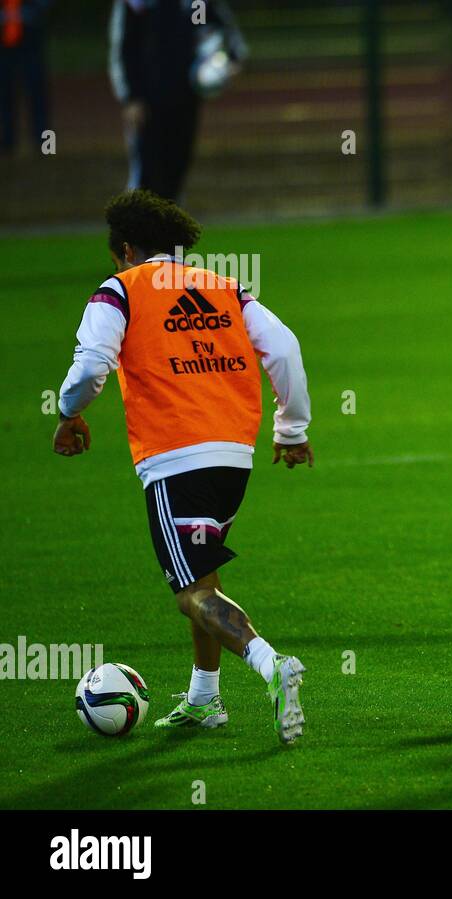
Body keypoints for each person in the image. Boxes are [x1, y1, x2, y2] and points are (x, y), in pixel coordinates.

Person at [53, 189, 312, 743]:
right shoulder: (224, 287)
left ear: (125, 248)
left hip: (174, 456)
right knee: (204, 578)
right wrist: (291, 429)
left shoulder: (119, 290)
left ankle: (272, 664)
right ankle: (203, 700)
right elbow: (285, 348)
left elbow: (92, 364)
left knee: (190, 592)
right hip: (233, 458)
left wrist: (68, 413)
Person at [109, 0, 246, 200]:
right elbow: (124, 44)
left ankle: (167, 229)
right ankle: (135, 229)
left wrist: (231, 60)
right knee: (146, 177)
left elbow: (220, 28)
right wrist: (131, 97)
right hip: (148, 102)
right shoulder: (137, 3)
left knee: (175, 175)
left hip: (186, 98)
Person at [0, 0, 51, 156]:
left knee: (37, 89)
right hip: (4, 37)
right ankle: (7, 142)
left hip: (30, 34)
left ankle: (46, 144)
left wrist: (25, 13)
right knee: (4, 90)